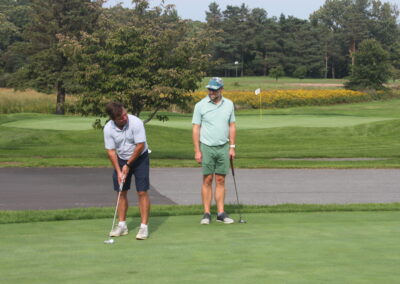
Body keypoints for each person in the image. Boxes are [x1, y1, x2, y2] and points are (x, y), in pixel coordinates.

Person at [192, 77, 236, 225]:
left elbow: (232, 126)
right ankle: (206, 213)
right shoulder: (200, 105)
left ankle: (221, 213)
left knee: (220, 180)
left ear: (221, 89)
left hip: (223, 146)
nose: (211, 92)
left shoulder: (229, 104)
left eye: (214, 89)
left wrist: (232, 147)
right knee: (207, 179)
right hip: (206, 146)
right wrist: (197, 150)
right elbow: (196, 128)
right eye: (209, 89)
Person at [103, 101, 150, 240]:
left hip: (140, 157)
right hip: (121, 158)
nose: (125, 118)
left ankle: (143, 227)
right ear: (113, 119)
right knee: (121, 191)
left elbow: (140, 145)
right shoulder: (108, 129)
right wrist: (118, 171)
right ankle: (122, 225)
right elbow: (111, 152)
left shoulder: (136, 122)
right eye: (121, 117)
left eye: (124, 114)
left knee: (142, 191)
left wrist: (128, 165)